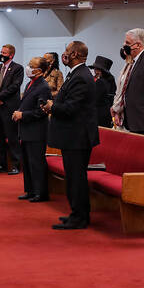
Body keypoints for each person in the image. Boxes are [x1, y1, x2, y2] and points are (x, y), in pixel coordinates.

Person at [43, 41, 98, 230]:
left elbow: (71, 108)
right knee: (74, 177)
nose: (63, 55)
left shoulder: (81, 76)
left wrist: (52, 107)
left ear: (74, 54)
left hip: (78, 136)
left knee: (76, 178)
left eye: (66, 51)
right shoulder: (76, 74)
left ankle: (80, 217)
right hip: (74, 136)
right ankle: (77, 213)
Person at [112, 28, 144, 135]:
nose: (124, 45)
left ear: (138, 45)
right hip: (133, 119)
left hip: (143, 121)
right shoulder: (136, 60)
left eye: (127, 43)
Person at [15, 56, 52, 202]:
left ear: (40, 71)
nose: (28, 68)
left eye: (32, 66)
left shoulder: (43, 86)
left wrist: (22, 114)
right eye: (29, 64)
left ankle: (40, 192)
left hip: (36, 131)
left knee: (36, 162)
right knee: (28, 162)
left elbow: (41, 111)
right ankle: (30, 190)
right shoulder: (31, 83)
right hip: (26, 130)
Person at [0, 44, 24, 174]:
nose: (1, 54)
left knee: (12, 137)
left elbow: (15, 86)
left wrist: (0, 96)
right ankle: (0, 165)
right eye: (1, 51)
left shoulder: (17, 68)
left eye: (4, 52)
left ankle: (15, 165)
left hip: (9, 107)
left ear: (11, 55)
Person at [89, 55, 116, 129]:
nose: (95, 71)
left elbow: (94, 99)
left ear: (102, 71)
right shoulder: (111, 80)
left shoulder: (100, 82)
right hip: (107, 113)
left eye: (97, 69)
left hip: (99, 114)